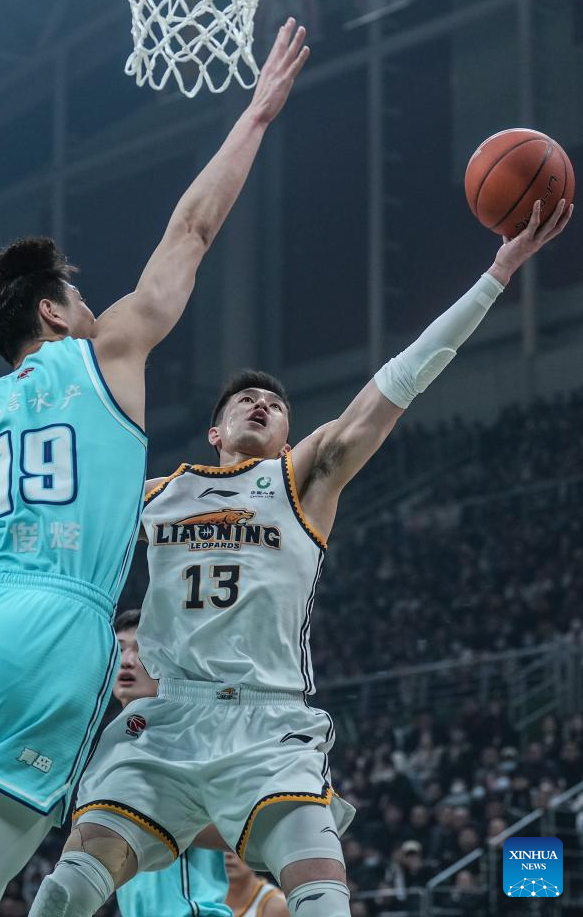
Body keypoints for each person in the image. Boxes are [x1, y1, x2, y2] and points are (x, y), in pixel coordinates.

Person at [0, 18, 311, 917]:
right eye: (80, 296)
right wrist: (254, 115)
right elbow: (193, 228)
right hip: (42, 634)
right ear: (53, 313)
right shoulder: (108, 354)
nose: (95, 306)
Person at [29, 195, 573, 917]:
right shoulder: (159, 494)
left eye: (274, 405)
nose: (260, 404)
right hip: (166, 724)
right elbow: (58, 524)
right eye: (245, 401)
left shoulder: (301, 480)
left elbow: (401, 380)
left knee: (322, 902)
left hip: (268, 726)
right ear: (216, 432)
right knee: (66, 888)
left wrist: (496, 276)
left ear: (287, 434)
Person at [111, 609, 232, 917]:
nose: (126, 660)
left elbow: (238, 829)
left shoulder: (188, 736)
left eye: (142, 650)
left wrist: (143, 812)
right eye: (119, 648)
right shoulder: (117, 745)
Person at [224, 852, 287, 917]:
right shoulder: (214, 900)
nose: (227, 854)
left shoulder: (279, 907)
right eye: (220, 849)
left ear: (254, 856)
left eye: (233, 848)